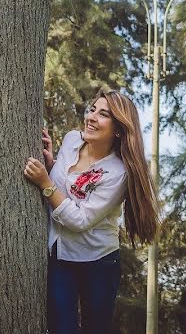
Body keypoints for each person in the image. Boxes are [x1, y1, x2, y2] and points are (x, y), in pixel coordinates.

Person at [23, 87, 159, 333]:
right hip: (59, 256)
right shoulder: (72, 140)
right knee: (60, 328)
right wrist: (52, 166)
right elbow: (66, 183)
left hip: (98, 263)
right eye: (92, 109)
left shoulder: (118, 172)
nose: (92, 117)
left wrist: (45, 182)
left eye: (103, 114)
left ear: (118, 129)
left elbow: (80, 219)